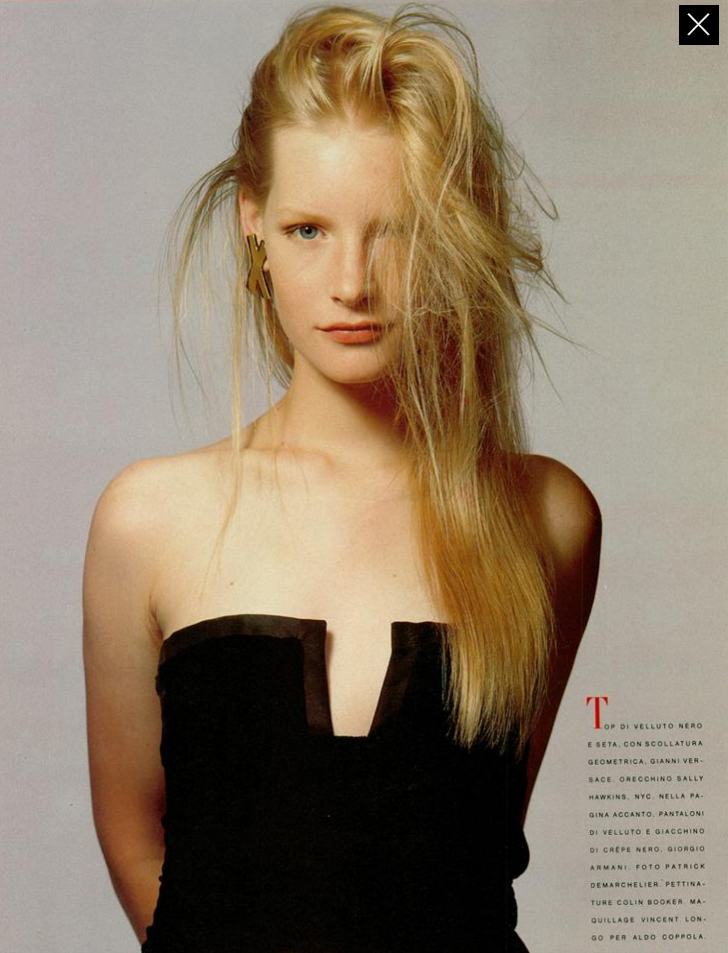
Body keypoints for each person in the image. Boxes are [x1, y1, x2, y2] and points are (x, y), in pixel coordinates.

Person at [82, 4, 601, 951]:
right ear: (253, 222)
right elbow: (133, 839)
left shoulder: (548, 516)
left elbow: (473, 854)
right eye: (309, 229)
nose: (352, 282)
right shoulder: (147, 519)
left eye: (396, 231)